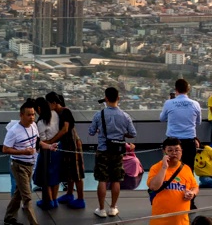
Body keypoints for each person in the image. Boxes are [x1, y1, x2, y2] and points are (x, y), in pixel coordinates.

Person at [3, 99, 58, 225]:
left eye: (33, 114)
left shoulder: (34, 126)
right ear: (21, 115)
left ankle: (9, 216)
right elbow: (5, 149)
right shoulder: (14, 131)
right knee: (27, 197)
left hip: (30, 165)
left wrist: (49, 147)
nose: (32, 117)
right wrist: (23, 152)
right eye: (29, 115)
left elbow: (37, 142)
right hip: (19, 166)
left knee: (19, 193)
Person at [88, 87, 137, 218]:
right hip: (118, 151)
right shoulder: (125, 116)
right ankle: (113, 208)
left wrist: (101, 131)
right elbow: (133, 133)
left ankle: (101, 209)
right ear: (118, 98)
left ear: (106, 98)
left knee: (102, 180)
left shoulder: (99, 115)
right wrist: (121, 133)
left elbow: (91, 131)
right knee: (116, 179)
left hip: (103, 150)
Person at [159, 78, 201, 209]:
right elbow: (198, 122)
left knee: (170, 170)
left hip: (172, 143)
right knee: (189, 171)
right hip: (189, 142)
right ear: (188, 90)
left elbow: (162, 118)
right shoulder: (195, 104)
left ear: (175, 89)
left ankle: (171, 199)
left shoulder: (169, 103)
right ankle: (191, 201)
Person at [46, 92, 85, 209]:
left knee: (76, 173)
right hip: (67, 145)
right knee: (70, 171)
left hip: (72, 145)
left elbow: (65, 129)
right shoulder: (57, 113)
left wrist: (51, 141)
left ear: (53, 103)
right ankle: (69, 193)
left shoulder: (65, 111)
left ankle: (80, 198)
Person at [147, 137, 198, 225]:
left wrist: (192, 193)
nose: (174, 153)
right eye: (170, 150)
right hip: (160, 221)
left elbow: (195, 186)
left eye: (177, 150)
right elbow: (154, 187)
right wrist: (164, 167)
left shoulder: (186, 168)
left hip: (181, 221)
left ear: (181, 151)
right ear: (164, 152)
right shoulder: (156, 168)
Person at [32, 97, 61, 210]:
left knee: (46, 177)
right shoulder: (55, 114)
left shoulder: (41, 122)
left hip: (47, 151)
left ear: (39, 108)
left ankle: (48, 201)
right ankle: (54, 199)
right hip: (58, 148)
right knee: (55, 175)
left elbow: (42, 140)